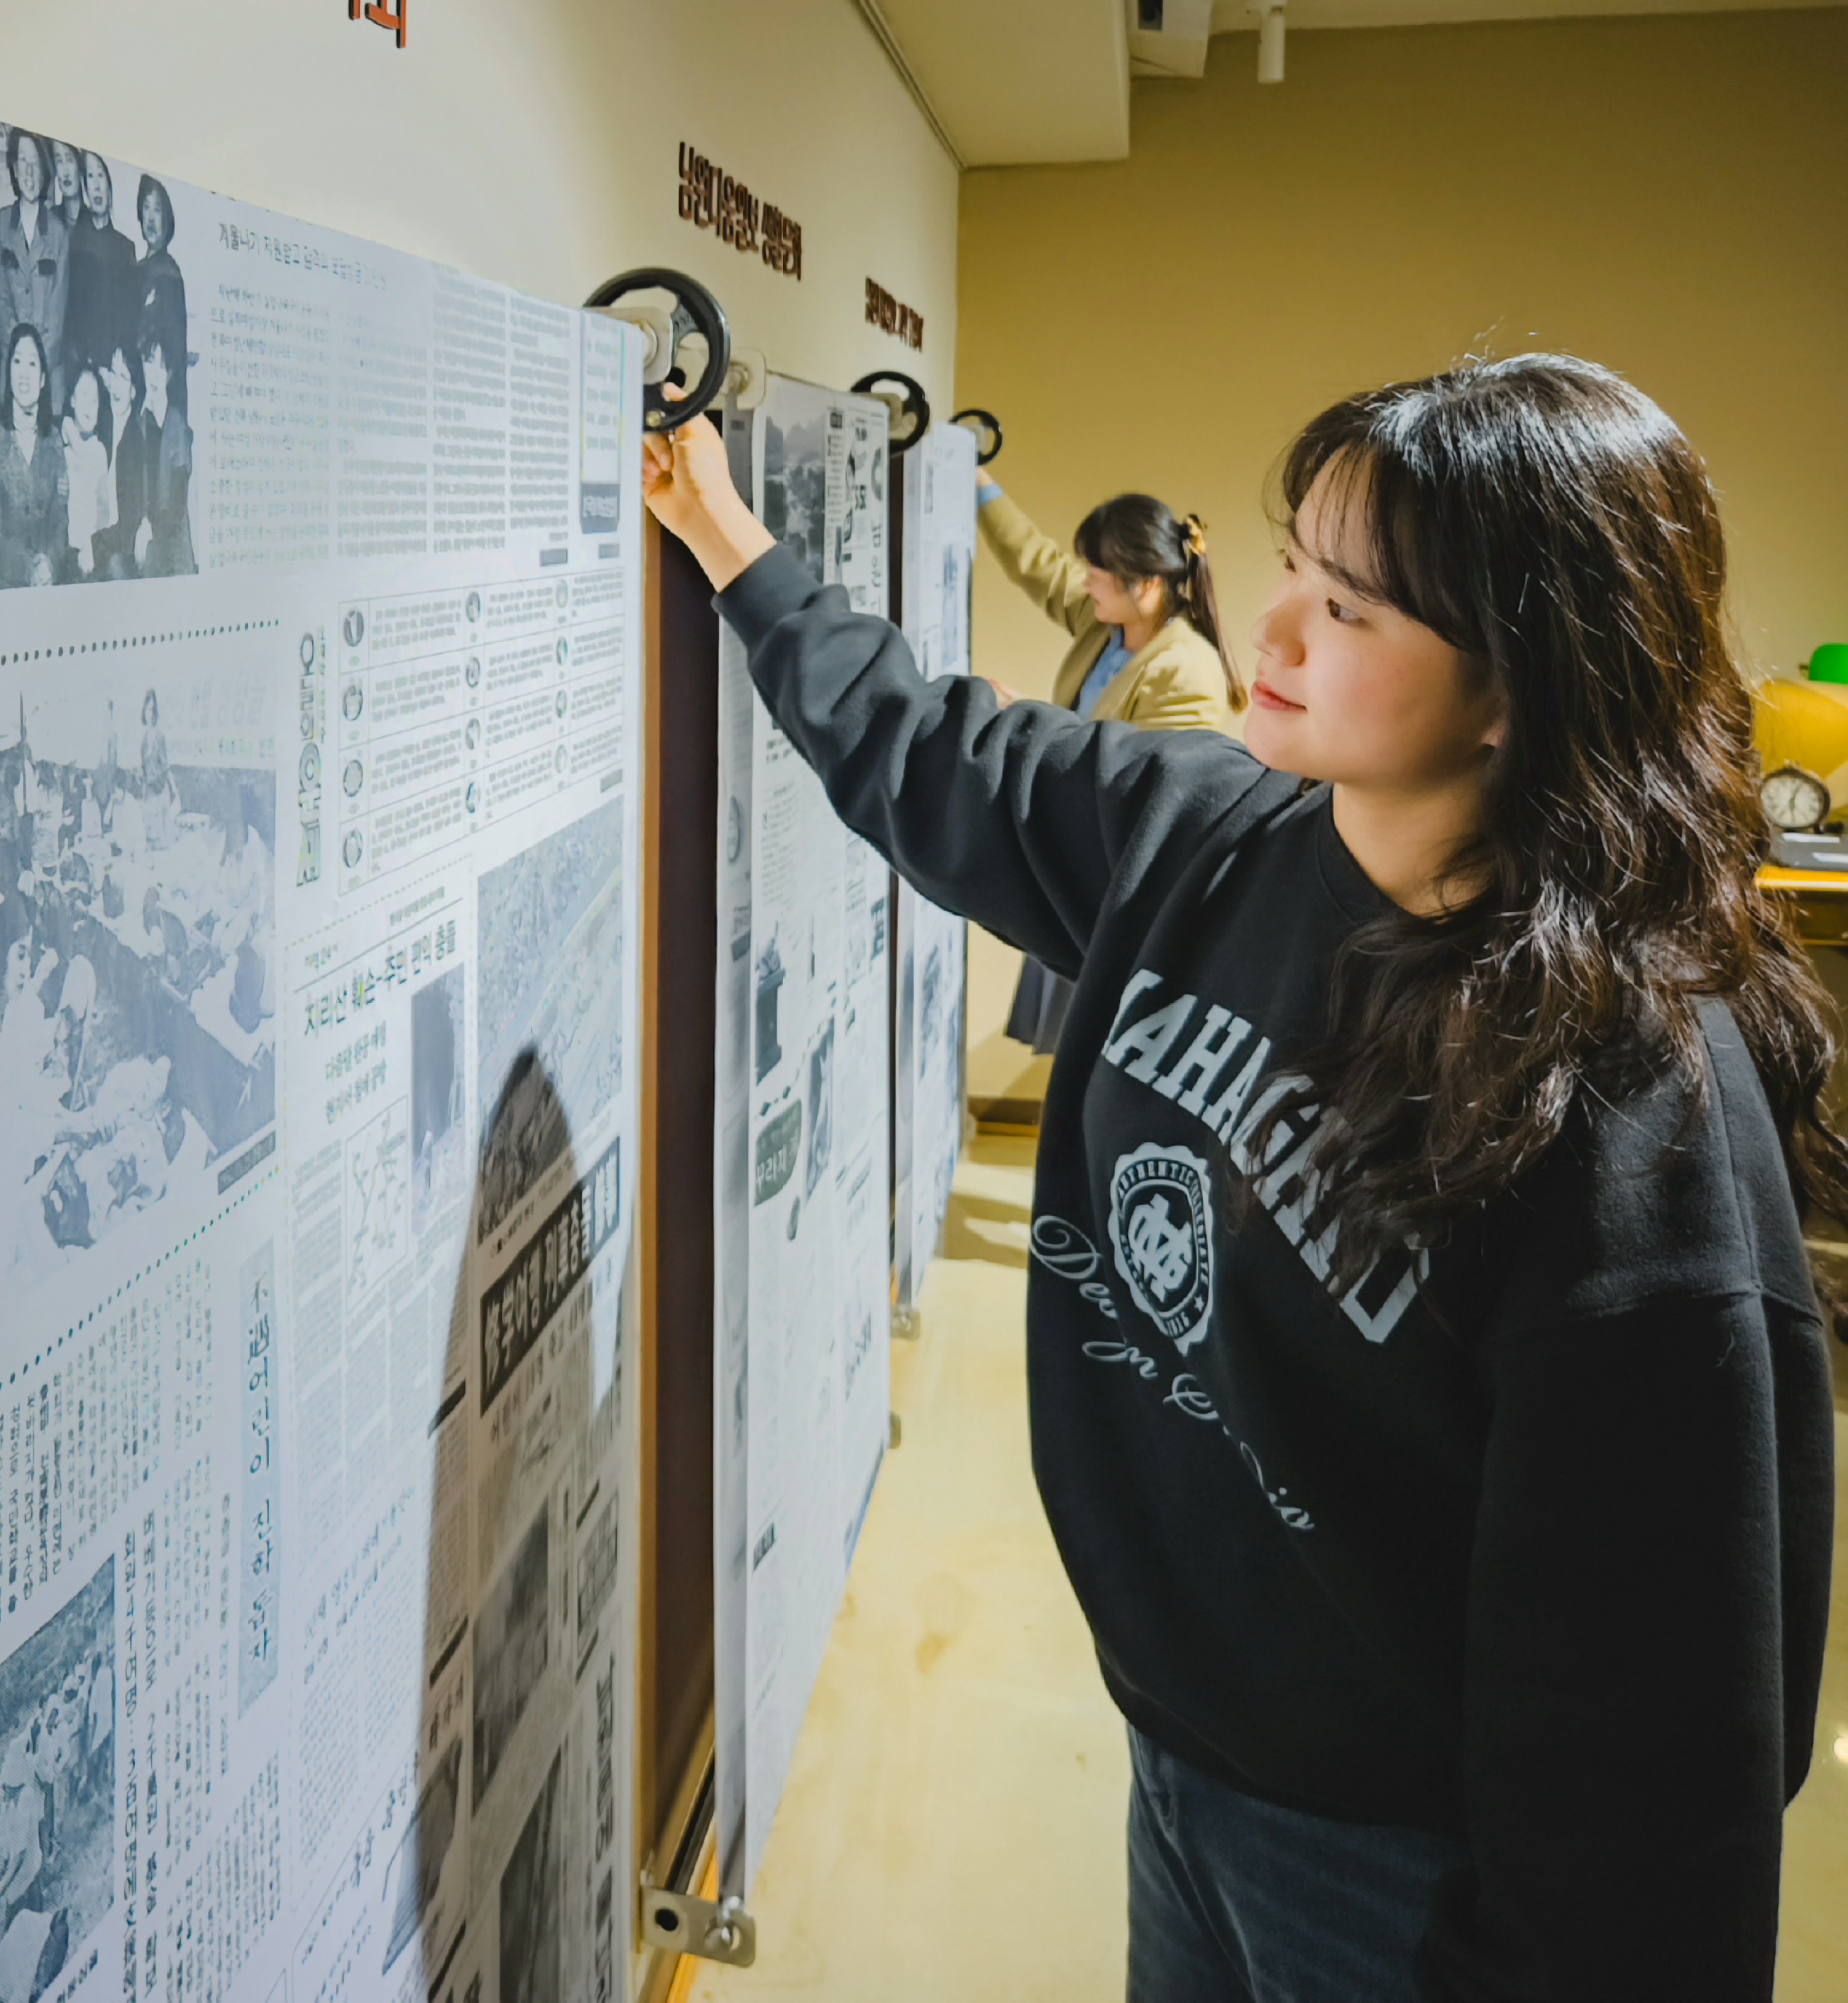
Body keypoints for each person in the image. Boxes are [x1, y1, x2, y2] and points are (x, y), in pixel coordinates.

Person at [641, 355, 1837, 2000]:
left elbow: (1660, 1754)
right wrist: (727, 540)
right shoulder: (1204, 835)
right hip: (1181, 1769)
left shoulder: (1630, 1109)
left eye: (1345, 608)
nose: (1270, 629)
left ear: (1521, 682)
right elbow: (925, 747)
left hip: (1409, 1870)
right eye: (1295, 566)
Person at [977, 476, 1243, 1054]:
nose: (1084, 580)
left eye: (1096, 571)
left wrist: (1022, 719)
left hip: (1117, 884)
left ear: (1144, 584)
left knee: (1094, 1045)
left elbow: (1139, 782)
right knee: (1072, 1044)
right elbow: (1037, 565)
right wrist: (980, 485)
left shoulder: (1187, 668)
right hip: (1075, 856)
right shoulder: (1108, 626)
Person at [0, 325, 66, 590]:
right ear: (9, 373)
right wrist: (29, 569)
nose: (24, 373)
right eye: (17, 362)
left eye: (32, 363)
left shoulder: (54, 441)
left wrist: (50, 564)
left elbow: (62, 519)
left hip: (50, 584)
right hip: (9, 587)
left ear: (43, 379)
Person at [0, 136, 70, 418]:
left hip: (49, 373)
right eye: (23, 161)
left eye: (35, 162)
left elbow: (57, 316)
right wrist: (19, 361)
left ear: (44, 170)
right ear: (13, 168)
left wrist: (36, 367)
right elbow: (0, 300)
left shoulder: (59, 233)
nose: (29, 171)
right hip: (11, 371)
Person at [125, 329, 193, 578]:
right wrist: (142, 524)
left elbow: (177, 502)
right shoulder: (137, 421)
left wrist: (150, 527)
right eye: (150, 362)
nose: (154, 373)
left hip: (172, 546)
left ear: (170, 374)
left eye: (162, 367)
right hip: (143, 540)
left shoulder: (178, 426)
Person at [64, 148, 137, 378]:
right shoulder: (72, 242)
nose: (96, 186)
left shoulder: (125, 248)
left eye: (100, 176)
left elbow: (129, 319)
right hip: (77, 368)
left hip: (113, 369)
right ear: (84, 189)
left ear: (110, 185)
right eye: (90, 177)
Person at [55, 361, 116, 581]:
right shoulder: (60, 444)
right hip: (63, 552)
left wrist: (94, 548)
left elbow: (104, 513)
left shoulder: (99, 451)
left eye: (95, 400)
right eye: (84, 396)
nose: (90, 406)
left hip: (91, 553)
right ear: (72, 400)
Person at [133, 174, 186, 396]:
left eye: (157, 210)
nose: (151, 219)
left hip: (157, 389)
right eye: (146, 208)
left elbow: (175, 349)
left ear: (167, 218)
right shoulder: (137, 269)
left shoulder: (169, 273)